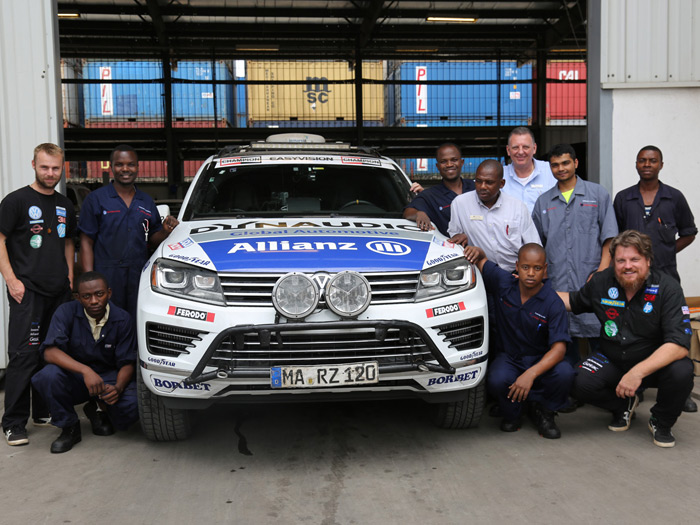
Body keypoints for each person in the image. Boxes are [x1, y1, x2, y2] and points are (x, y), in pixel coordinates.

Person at [557, 231, 694, 448]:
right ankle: (622, 405)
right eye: (621, 260)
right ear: (613, 262)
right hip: (612, 358)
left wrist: (636, 373)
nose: (627, 266)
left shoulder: (668, 288)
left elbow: (678, 345)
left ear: (648, 261)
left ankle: (661, 420)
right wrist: (532, 291)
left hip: (652, 365)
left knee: (682, 370)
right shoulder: (602, 281)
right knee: (577, 380)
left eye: (634, 259)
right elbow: (572, 301)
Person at [0, 143, 76, 446]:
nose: (50, 173)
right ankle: (13, 423)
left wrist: (69, 275)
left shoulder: (65, 204)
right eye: (44, 167)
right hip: (27, 291)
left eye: (55, 168)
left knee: (51, 353)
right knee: (23, 355)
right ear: (34, 164)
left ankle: (42, 411)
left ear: (62, 168)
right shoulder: (16, 201)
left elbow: (69, 241)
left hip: (58, 291)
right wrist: (11, 280)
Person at [612, 145, 698, 413]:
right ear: (636, 164)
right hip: (632, 283)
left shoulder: (675, 198)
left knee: (671, 333)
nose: (647, 164)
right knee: (637, 331)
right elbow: (614, 238)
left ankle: (677, 390)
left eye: (652, 161)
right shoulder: (624, 199)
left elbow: (688, 232)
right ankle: (636, 382)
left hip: (667, 277)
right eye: (642, 160)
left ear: (661, 164)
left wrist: (668, 251)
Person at [464, 243, 573, 438]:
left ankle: (545, 412)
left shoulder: (553, 302)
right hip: (510, 358)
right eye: (525, 267)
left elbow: (559, 350)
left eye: (537, 268)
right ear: (517, 266)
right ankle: (514, 413)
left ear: (545, 269)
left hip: (540, 360)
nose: (531, 273)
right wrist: (477, 250)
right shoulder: (504, 283)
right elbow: (481, 261)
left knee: (565, 373)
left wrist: (530, 374)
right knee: (496, 379)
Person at [31, 272, 138, 453]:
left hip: (107, 379)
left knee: (133, 405)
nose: (94, 301)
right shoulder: (66, 312)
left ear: (109, 293)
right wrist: (85, 371)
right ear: (78, 297)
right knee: (47, 376)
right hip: (76, 378)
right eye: (87, 296)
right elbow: (49, 352)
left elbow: (127, 361)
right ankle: (70, 427)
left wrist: (118, 388)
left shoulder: (123, 319)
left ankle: (98, 408)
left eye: (99, 294)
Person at [532, 144, 618, 366]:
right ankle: (571, 391)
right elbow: (537, 245)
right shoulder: (544, 202)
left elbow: (610, 238)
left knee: (600, 338)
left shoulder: (597, 194)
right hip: (558, 283)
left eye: (565, 163)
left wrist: (600, 274)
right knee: (563, 340)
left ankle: (601, 388)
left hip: (591, 280)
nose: (560, 168)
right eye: (555, 165)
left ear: (575, 163)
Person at [79, 144, 179, 320]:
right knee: (106, 321)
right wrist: (89, 279)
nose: (125, 169)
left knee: (135, 320)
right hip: (106, 274)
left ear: (137, 167)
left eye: (131, 164)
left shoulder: (146, 202)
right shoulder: (96, 199)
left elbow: (153, 239)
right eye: (119, 164)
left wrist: (164, 232)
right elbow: (86, 241)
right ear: (111, 167)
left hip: (138, 274)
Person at [448, 159, 541, 272]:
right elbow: (454, 237)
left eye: (489, 182)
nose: (482, 186)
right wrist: (458, 237)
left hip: (514, 274)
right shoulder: (460, 204)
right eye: (478, 181)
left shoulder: (518, 207)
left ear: (501, 184)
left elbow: (533, 246)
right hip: (481, 274)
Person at [403, 143, 475, 237]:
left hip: (482, 247)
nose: (449, 164)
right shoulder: (430, 195)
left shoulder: (476, 188)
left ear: (461, 162)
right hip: (450, 249)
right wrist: (418, 214)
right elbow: (407, 212)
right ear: (437, 166)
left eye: (454, 160)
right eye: (443, 161)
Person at [500, 127, 557, 212]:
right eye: (515, 147)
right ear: (508, 150)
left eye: (525, 147)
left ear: (534, 148)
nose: (520, 152)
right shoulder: (499, 175)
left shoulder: (551, 171)